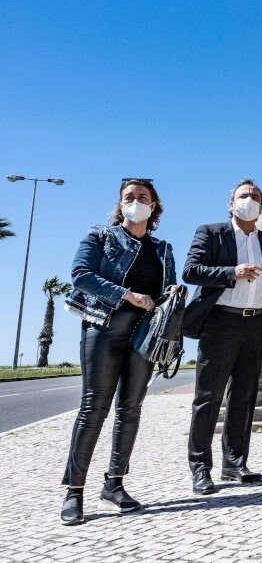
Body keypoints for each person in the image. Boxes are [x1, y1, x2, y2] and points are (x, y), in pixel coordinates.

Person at [61, 178, 178, 525]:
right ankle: (74, 491)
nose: (135, 200)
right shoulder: (100, 235)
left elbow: (166, 294)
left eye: (142, 196)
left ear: (154, 205)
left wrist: (172, 298)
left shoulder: (163, 248)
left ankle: (114, 484)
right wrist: (127, 295)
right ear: (120, 203)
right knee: (93, 409)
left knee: (130, 409)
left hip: (145, 335)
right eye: (129, 196)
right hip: (103, 327)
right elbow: (80, 275)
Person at [183, 179, 262, 495]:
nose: (249, 200)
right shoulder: (211, 233)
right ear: (231, 204)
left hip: (257, 326)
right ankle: (200, 469)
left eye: (255, 197)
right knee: (208, 398)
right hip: (220, 323)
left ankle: (235, 464)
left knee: (244, 397)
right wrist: (232, 273)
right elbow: (191, 271)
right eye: (244, 195)